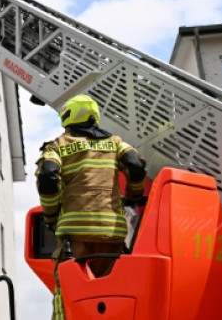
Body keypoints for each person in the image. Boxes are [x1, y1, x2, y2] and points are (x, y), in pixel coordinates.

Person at [36, 93, 146, 319]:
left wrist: (51, 216)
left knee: (67, 291)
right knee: (110, 292)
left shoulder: (58, 145)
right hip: (113, 235)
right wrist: (133, 196)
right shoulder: (116, 143)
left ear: (68, 116)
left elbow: (47, 177)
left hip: (75, 237)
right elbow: (136, 165)